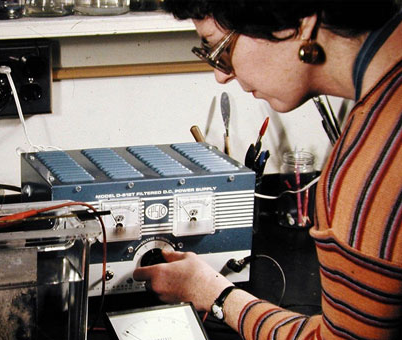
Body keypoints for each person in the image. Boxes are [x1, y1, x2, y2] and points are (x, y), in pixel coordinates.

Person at [132, 1, 402, 338]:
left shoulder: (374, 160)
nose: (221, 74)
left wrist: (216, 294)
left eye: (220, 48)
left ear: (300, 23)